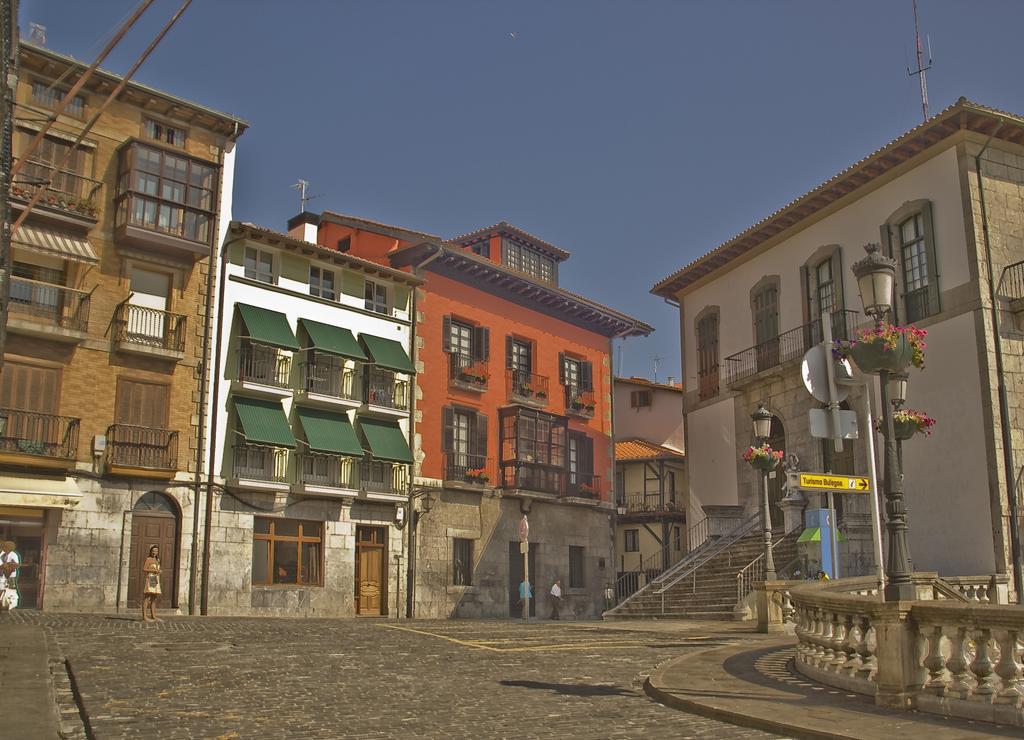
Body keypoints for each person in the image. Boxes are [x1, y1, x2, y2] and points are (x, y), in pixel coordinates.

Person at [142, 545, 162, 622]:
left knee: (154, 598)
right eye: (153, 551)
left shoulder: (157, 559)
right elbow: (145, 569)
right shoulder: (149, 559)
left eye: (156, 551)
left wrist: (159, 571)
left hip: (156, 579)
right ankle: (145, 617)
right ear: (151, 551)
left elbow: (157, 569)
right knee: (147, 597)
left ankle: (153, 616)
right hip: (151, 578)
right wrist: (154, 571)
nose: (155, 552)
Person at [0, 541, 19, 611]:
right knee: (2, 588)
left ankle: (10, 604)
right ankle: (3, 603)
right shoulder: (3, 554)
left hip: (10, 575)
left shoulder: (13, 554)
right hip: (2, 574)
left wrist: (8, 566)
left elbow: (16, 565)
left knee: (10, 590)